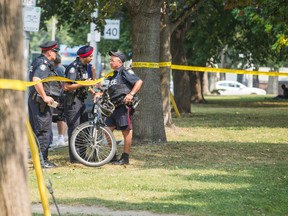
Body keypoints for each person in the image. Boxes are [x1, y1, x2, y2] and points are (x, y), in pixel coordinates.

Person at [28, 40, 62, 168]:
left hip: (35, 101)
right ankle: (43, 161)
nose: (56, 54)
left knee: (38, 130)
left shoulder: (37, 61)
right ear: (49, 52)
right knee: (43, 130)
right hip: (40, 102)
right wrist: (44, 96)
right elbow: (37, 80)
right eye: (55, 51)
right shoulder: (43, 64)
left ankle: (39, 159)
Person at [105, 51, 143, 165]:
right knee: (107, 130)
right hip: (113, 106)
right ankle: (113, 155)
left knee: (125, 131)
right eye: (110, 60)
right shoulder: (113, 75)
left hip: (123, 106)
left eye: (112, 60)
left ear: (120, 62)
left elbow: (139, 81)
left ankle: (125, 157)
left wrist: (131, 94)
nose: (110, 62)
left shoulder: (125, 71)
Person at [63, 45, 98, 163]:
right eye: (91, 56)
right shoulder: (73, 68)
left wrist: (93, 92)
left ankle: (82, 155)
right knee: (74, 129)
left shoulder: (85, 67)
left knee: (83, 128)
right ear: (84, 57)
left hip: (81, 101)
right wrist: (82, 84)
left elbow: (86, 84)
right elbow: (67, 87)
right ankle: (74, 158)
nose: (92, 58)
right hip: (73, 102)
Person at [50, 54, 68, 147]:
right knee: (60, 117)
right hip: (58, 95)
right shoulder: (62, 69)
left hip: (57, 96)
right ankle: (60, 137)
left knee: (59, 117)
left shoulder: (58, 69)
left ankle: (60, 137)